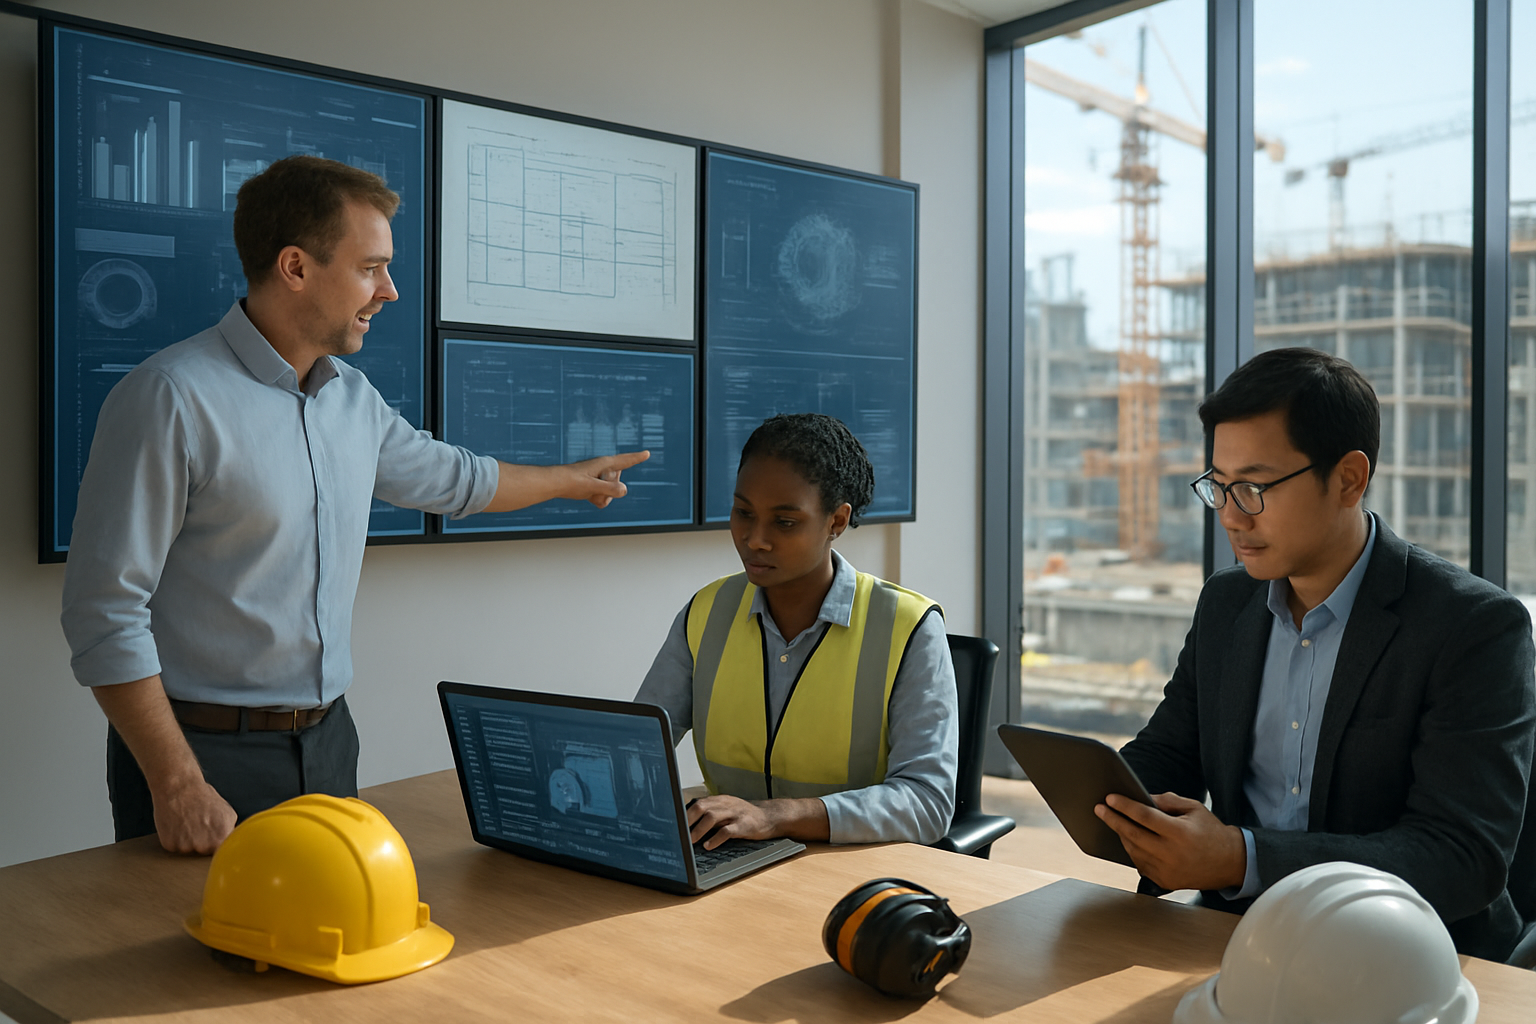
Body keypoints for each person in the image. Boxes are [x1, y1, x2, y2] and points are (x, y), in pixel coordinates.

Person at [61, 156, 648, 856]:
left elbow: (453, 479)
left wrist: (568, 479)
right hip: (203, 759)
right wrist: (177, 783)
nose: (390, 291)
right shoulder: (169, 398)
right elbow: (103, 613)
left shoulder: (351, 399)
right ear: (296, 267)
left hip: (328, 745)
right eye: (371, 268)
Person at [1097, 346, 1536, 960]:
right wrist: (1104, 794)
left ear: (1349, 479)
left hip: (1416, 963)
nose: (1229, 515)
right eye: (1218, 487)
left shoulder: (1473, 627)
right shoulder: (1228, 603)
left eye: (1253, 487)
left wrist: (1238, 858)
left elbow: (1460, 857)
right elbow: (1173, 750)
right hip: (1241, 943)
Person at [636, 413, 957, 847]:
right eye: (742, 512)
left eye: (784, 522)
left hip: (856, 873)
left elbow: (926, 802)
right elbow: (638, 749)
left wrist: (779, 815)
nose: (755, 539)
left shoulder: (908, 627)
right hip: (732, 861)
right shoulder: (706, 612)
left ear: (836, 522)